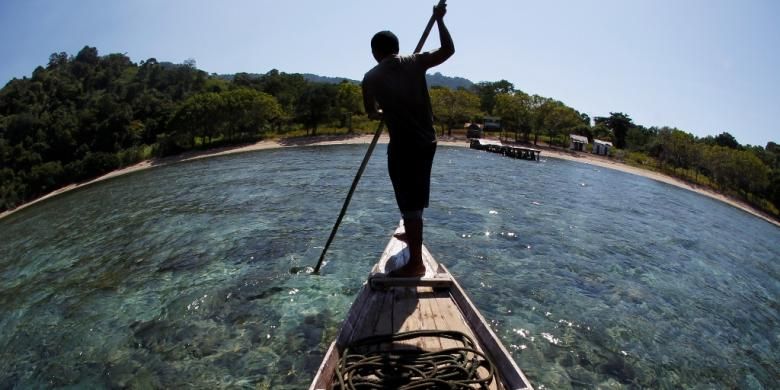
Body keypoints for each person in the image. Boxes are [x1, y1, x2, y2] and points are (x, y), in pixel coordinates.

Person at [362, 4, 454, 277]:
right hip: (427, 142)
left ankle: (416, 263)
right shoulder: (415, 61)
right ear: (396, 47)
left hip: (403, 147)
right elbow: (448, 50)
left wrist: (385, 110)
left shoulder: (370, 78)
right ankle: (411, 237)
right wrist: (439, 21)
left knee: (408, 201)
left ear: (375, 52)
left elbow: (371, 113)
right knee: (415, 197)